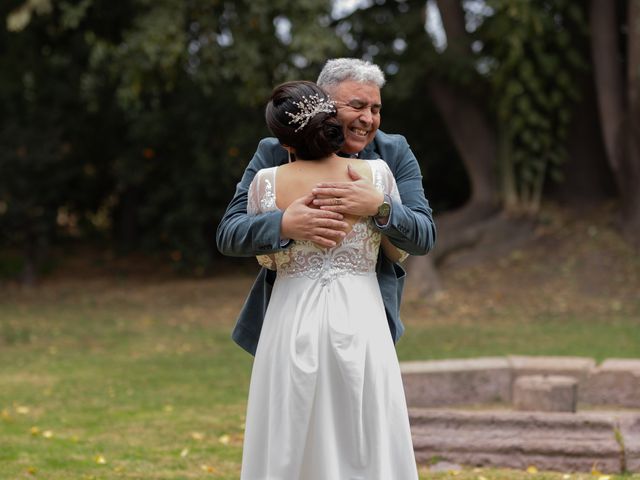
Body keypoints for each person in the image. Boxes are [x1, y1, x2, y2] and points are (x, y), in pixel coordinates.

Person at [240, 79, 418, 479]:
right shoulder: (375, 174)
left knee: (291, 428)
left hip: (289, 318)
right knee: (365, 431)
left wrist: (286, 229)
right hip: (362, 316)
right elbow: (399, 251)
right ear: (331, 120)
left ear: (286, 144)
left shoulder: (267, 183)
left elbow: (267, 260)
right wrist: (374, 215)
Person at [216, 58, 436, 356]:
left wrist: (380, 206)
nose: (368, 119)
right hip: (288, 316)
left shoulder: (393, 153)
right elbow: (229, 234)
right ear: (325, 105)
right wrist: (283, 225)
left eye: (375, 109)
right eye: (357, 106)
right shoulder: (276, 150)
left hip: (367, 317)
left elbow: (423, 237)